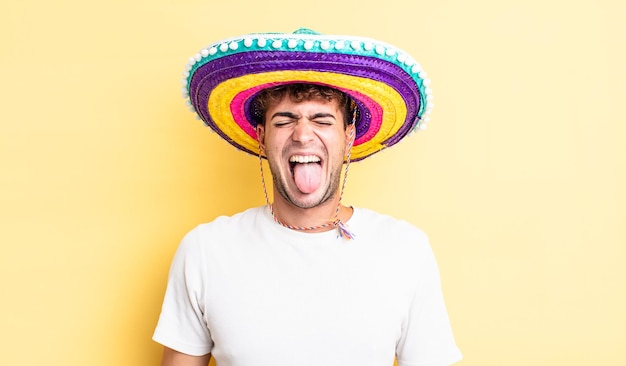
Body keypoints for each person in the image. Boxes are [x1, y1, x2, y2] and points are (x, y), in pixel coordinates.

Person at [153, 28, 462, 366]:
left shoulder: (405, 249)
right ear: (261, 137)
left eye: (322, 120)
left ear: (348, 137)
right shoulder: (205, 250)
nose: (302, 134)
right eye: (284, 120)